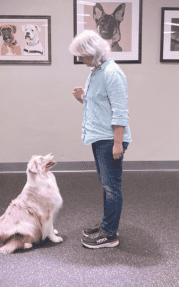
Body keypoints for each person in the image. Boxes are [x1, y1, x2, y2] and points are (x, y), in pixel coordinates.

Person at [69, 30, 132, 249]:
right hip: (99, 137)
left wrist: (117, 142)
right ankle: (108, 225)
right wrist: (83, 98)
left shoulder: (112, 73)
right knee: (107, 185)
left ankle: (110, 235)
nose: (79, 59)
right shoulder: (96, 71)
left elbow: (120, 111)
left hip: (109, 139)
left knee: (112, 187)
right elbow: (99, 106)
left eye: (82, 55)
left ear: (93, 52)